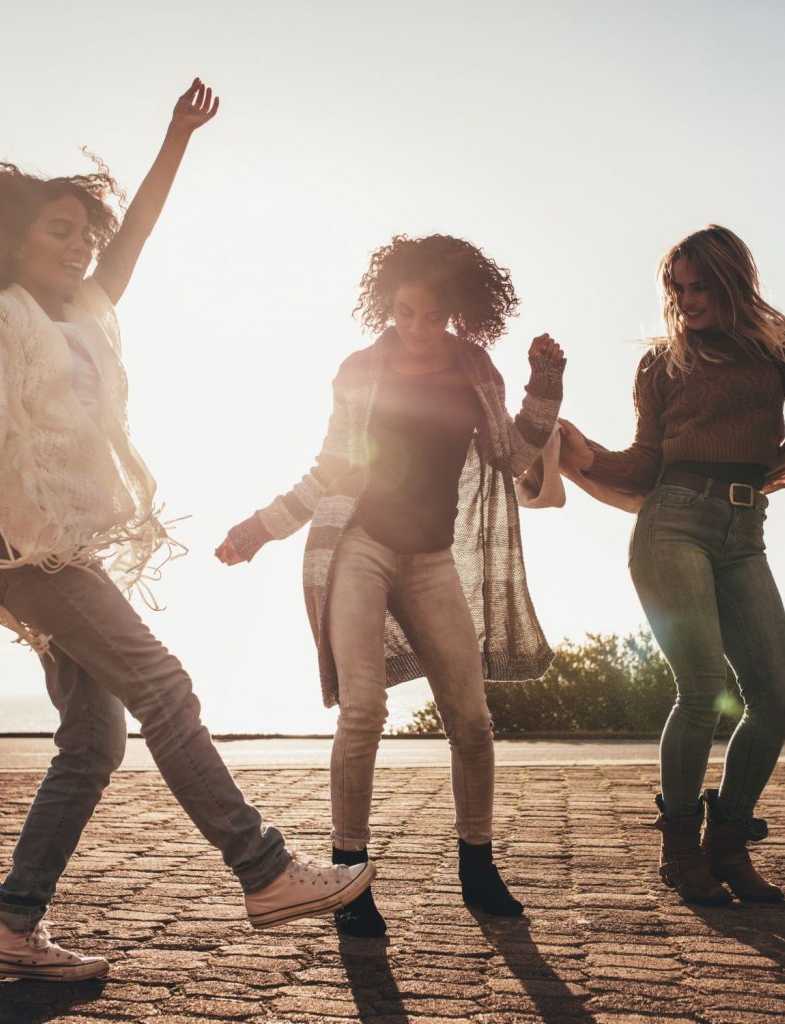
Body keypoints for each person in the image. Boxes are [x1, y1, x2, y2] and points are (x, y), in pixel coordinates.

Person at [0, 78, 374, 981]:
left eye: (84, 233)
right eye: (56, 230)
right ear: (15, 241)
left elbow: (137, 231)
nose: (77, 246)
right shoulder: (5, 312)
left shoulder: (88, 311)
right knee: (165, 687)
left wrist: (176, 137)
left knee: (95, 742)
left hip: (64, 545)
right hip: (25, 547)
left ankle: (10, 928)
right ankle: (262, 871)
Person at [216, 234, 564, 936]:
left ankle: (478, 864)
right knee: (364, 710)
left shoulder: (477, 371)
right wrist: (260, 528)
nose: (414, 328)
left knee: (471, 718)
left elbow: (512, 455)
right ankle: (350, 876)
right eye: (403, 312)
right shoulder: (359, 370)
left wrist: (544, 389)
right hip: (361, 548)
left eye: (430, 316)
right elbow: (330, 469)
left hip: (432, 559)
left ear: (456, 313)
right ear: (388, 304)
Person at [557, 225, 785, 906]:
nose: (688, 298)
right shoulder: (663, 363)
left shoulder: (774, 345)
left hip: (744, 531)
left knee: (777, 698)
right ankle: (679, 849)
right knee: (701, 690)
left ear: (732, 280)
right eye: (679, 287)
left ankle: (727, 844)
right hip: (673, 523)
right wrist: (588, 458)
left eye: (700, 285)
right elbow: (645, 462)